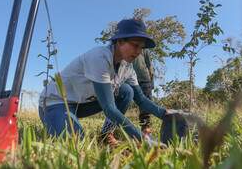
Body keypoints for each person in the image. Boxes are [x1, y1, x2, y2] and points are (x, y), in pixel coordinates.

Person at [38, 19, 170, 145]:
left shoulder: (127, 67)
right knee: (76, 142)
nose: (138, 52)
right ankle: (57, 120)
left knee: (126, 91)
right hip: (56, 103)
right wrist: (141, 138)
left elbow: (141, 99)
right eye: (135, 45)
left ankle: (106, 135)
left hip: (82, 104)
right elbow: (109, 108)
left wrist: (166, 114)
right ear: (119, 41)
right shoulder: (100, 57)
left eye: (141, 48)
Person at [133, 49, 154, 134]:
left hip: (144, 79)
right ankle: (113, 127)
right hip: (128, 78)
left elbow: (149, 66)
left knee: (145, 105)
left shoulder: (144, 49)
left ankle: (145, 127)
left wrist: (151, 82)